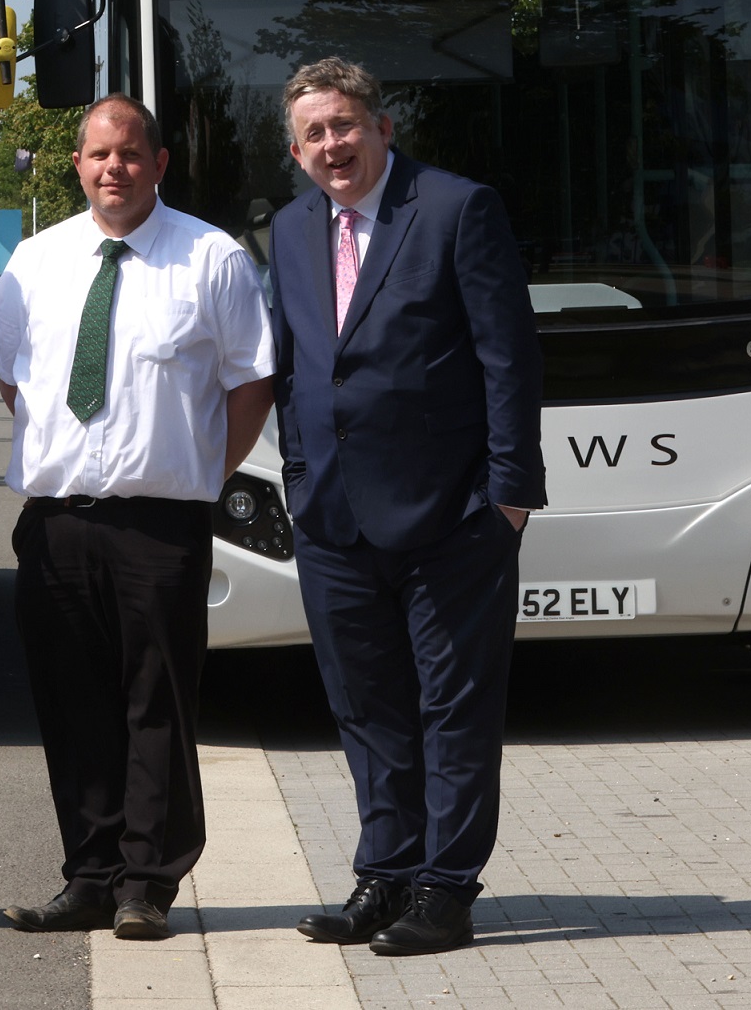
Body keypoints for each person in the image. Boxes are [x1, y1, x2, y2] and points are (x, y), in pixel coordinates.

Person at [268, 57, 545, 956]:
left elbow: (509, 359)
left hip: (451, 517)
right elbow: (297, 368)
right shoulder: (289, 228)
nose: (331, 145)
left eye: (344, 124)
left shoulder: (457, 208)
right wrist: (299, 481)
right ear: (296, 149)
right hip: (334, 523)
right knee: (365, 706)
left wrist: (506, 495)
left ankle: (448, 889)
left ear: (381, 126)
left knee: (452, 709)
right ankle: (384, 876)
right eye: (313, 133)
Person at [0, 95, 275, 941]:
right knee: (71, 703)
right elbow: (14, 377)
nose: (113, 167)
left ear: (159, 164)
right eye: (98, 154)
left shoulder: (209, 259)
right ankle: (88, 875)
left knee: (156, 705)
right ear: (77, 165)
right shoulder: (34, 260)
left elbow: (250, 381)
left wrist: (198, 471)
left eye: (130, 154)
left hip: (160, 527)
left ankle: (145, 883)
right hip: (56, 525)